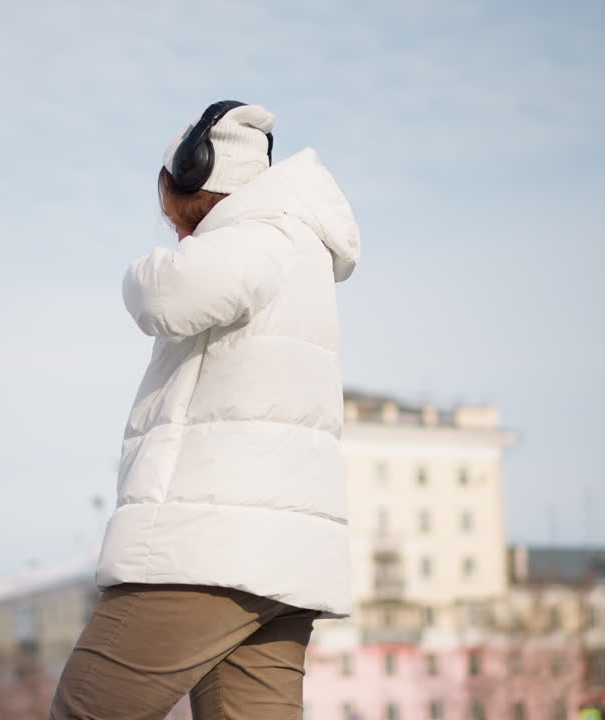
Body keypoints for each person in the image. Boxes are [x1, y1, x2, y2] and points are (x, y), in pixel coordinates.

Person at [50, 100, 361, 720]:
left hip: (208, 551)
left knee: (86, 709)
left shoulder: (262, 238)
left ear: (188, 180)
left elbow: (164, 294)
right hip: (277, 562)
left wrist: (142, 269)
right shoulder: (292, 244)